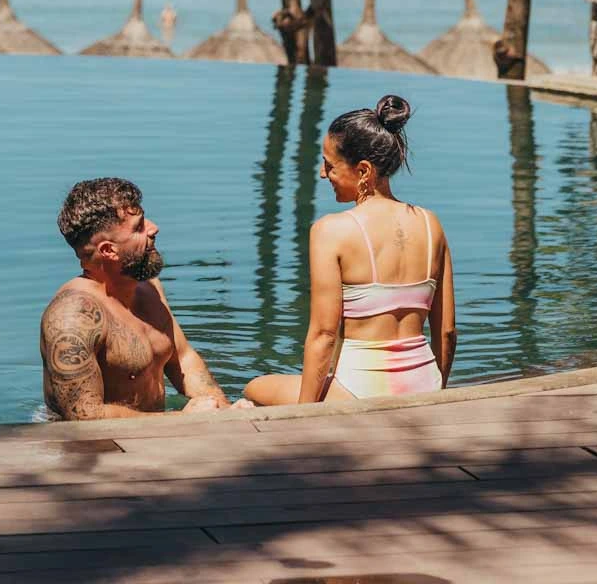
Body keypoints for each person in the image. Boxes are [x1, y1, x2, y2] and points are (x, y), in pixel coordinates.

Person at [244, 95, 455, 405]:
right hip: (425, 384)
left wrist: (302, 417)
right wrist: (438, 394)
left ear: (364, 171)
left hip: (361, 388)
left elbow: (323, 335)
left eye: (329, 165)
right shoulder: (430, 223)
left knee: (255, 389)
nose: (321, 173)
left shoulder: (332, 230)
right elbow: (447, 332)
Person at [39, 177, 237, 419]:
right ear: (108, 250)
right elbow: (85, 417)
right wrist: (180, 420)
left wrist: (224, 409)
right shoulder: (73, 316)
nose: (154, 228)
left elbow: (183, 359)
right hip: (92, 448)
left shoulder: (148, 287)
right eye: (139, 227)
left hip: (154, 434)